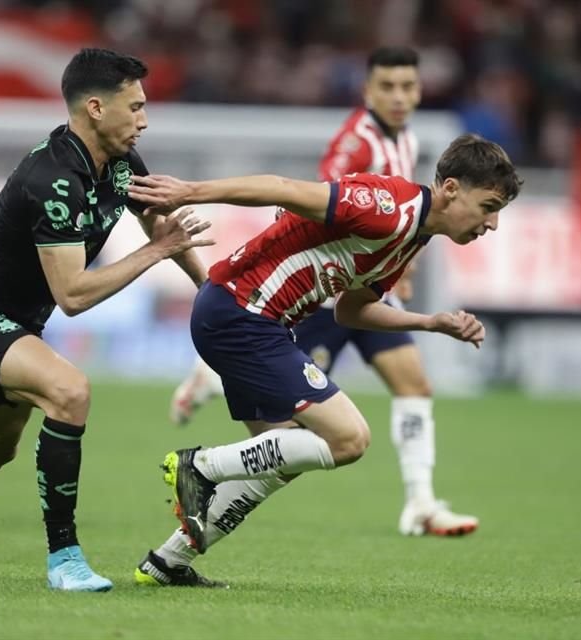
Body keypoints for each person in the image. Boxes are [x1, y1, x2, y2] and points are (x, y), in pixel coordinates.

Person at [128, 133, 522, 588]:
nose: (491, 224)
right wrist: (189, 191)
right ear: (451, 188)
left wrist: (431, 322)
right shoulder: (389, 206)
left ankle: (166, 562)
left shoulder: (414, 236)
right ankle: (200, 467)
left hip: (254, 320)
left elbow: (350, 310)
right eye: (489, 206)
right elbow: (281, 187)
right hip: (242, 311)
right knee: (349, 439)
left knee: (278, 460)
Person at [0, 48, 212, 592]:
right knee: (70, 391)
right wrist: (157, 253)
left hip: (15, 325)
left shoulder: (122, 161)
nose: (144, 119)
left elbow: (161, 223)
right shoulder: (55, 178)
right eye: (134, 107)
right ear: (95, 108)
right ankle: (65, 558)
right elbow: (74, 295)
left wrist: (211, 290)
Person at [168, 46, 479, 537]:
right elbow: (308, 201)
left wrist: (404, 274)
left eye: (408, 87)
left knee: (408, 388)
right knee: (302, 441)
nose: (399, 97)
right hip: (312, 297)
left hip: (358, 292)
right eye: (388, 87)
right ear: (368, 90)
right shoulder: (357, 144)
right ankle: (208, 413)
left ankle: (420, 501)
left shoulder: (407, 141)